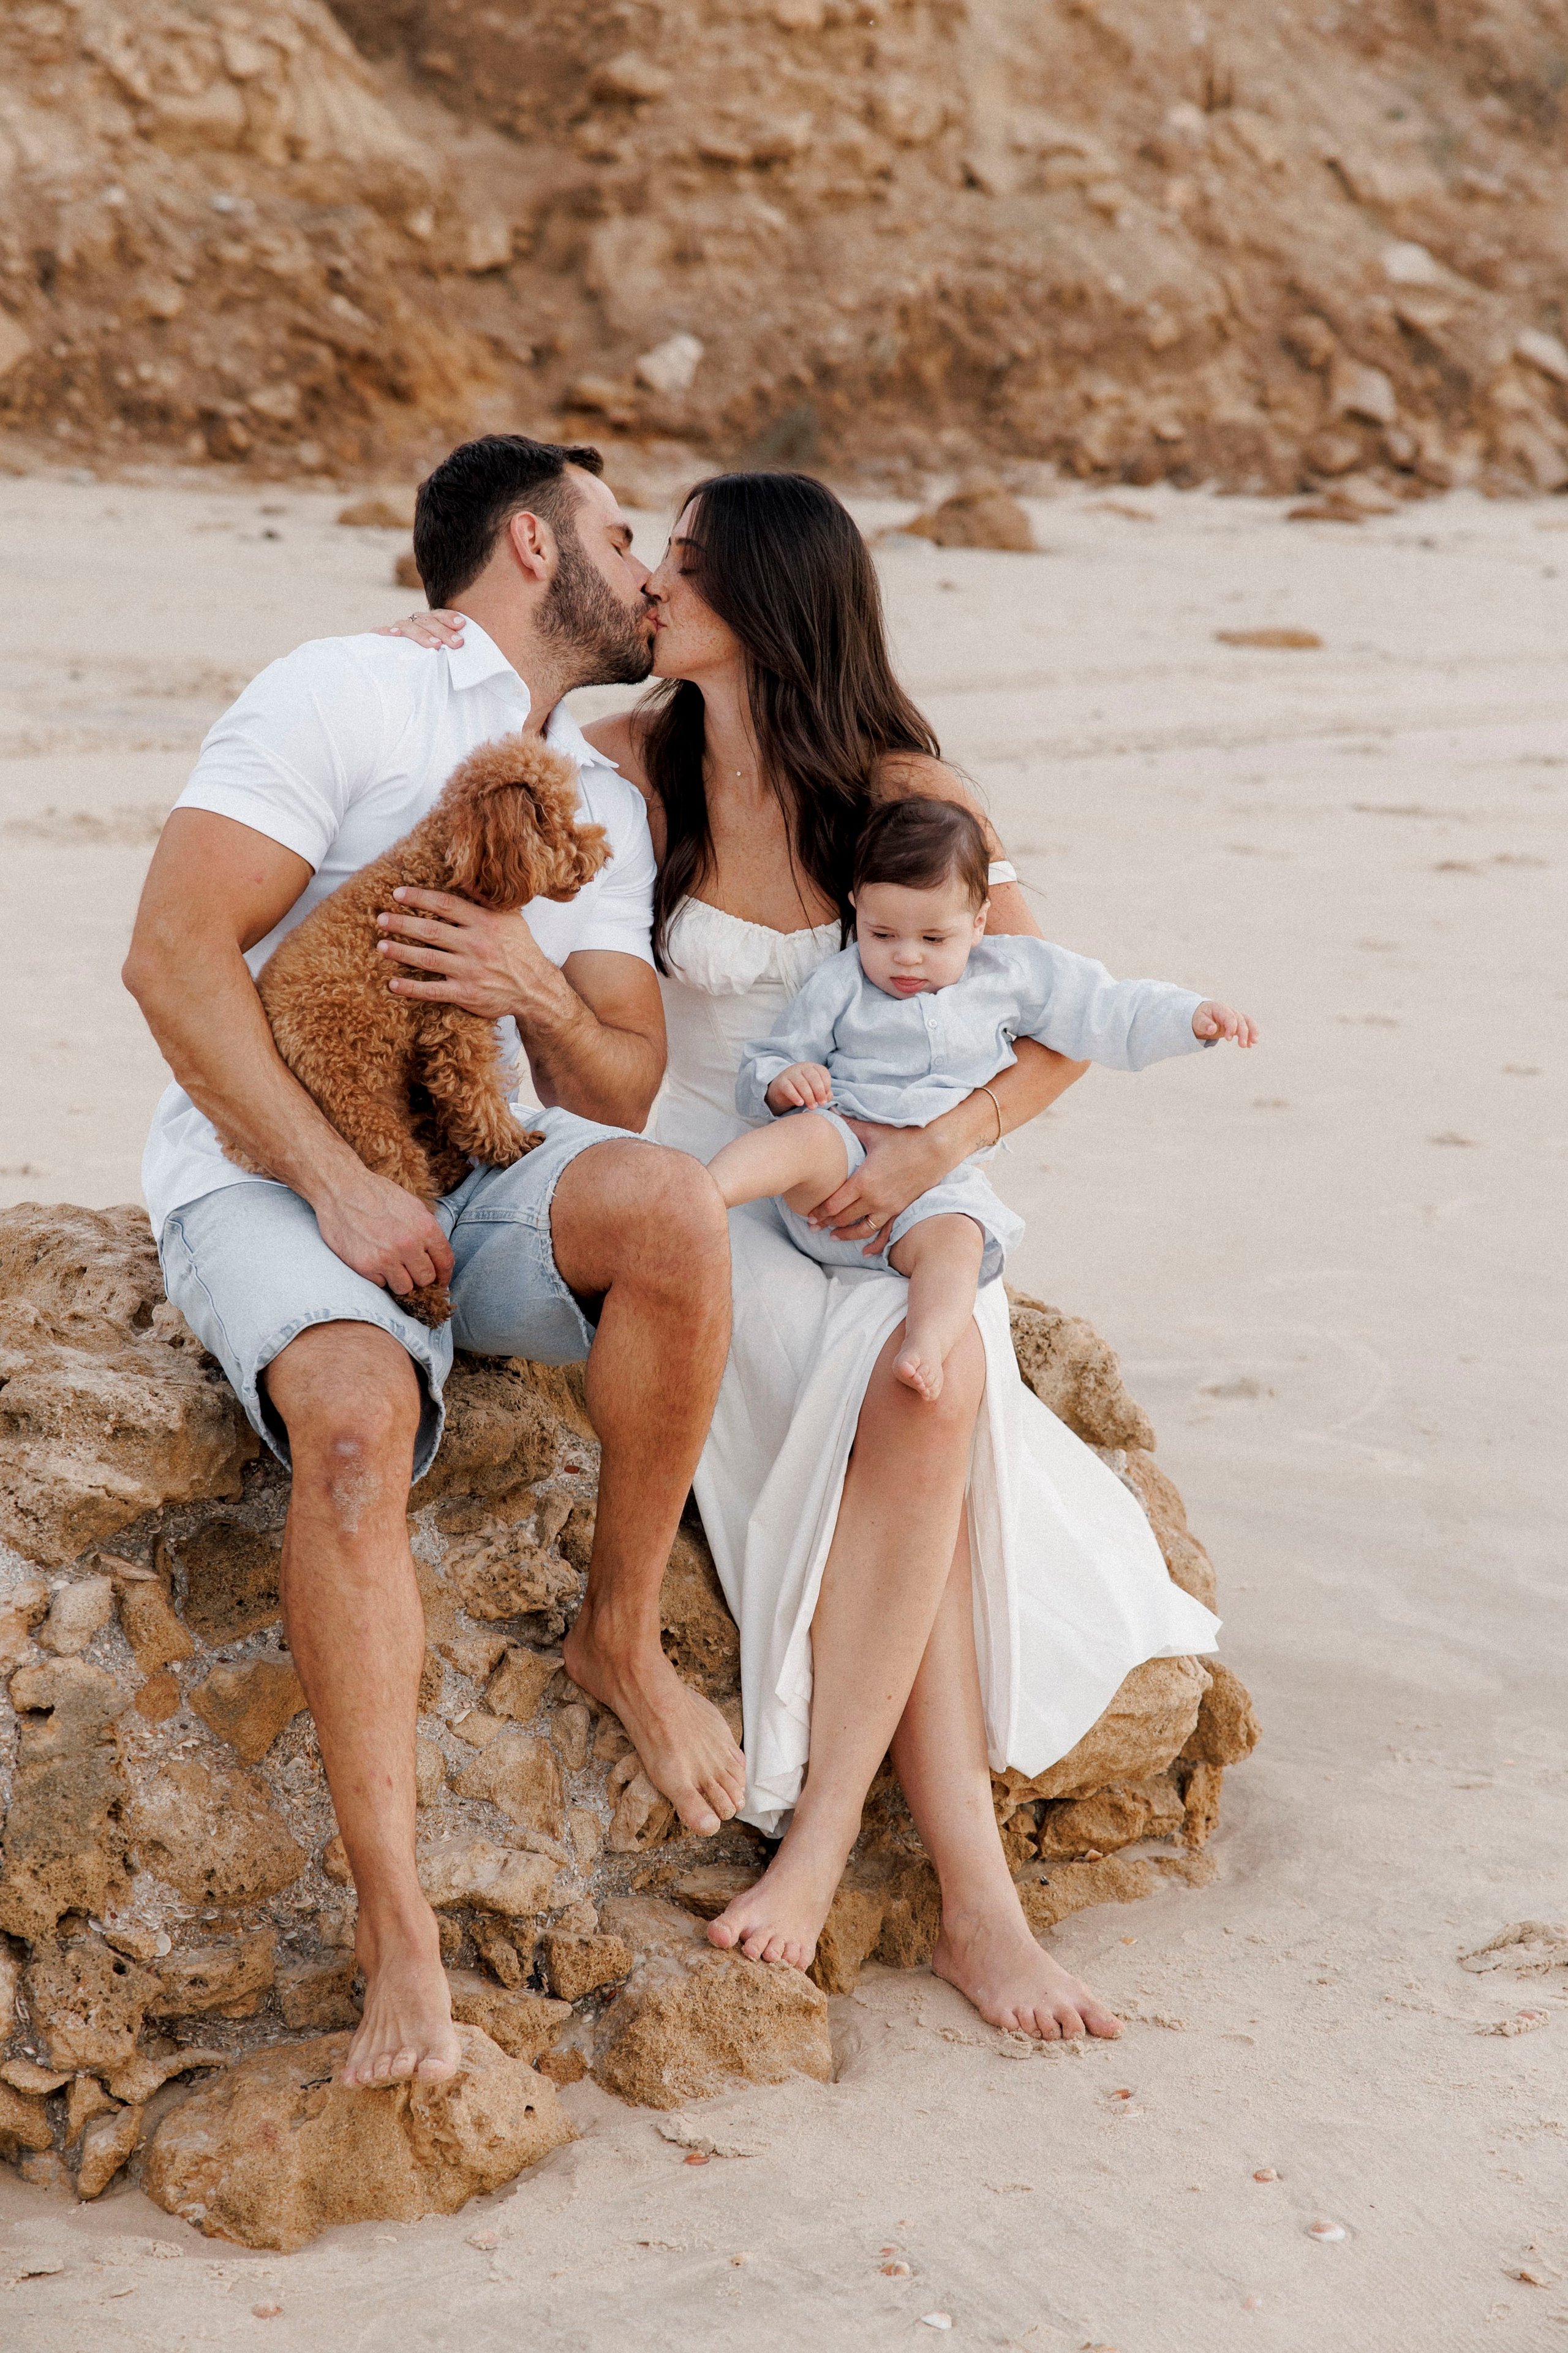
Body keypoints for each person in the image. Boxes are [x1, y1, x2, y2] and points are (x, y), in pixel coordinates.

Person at [382, 469, 1222, 2042]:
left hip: (878, 1178)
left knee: (936, 1365)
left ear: (765, 597)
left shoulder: (902, 785)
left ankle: (853, 1853)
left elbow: (1058, 1013)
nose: (654, 589)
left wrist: (929, 1150)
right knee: (883, 1372)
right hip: (705, 1189)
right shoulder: (624, 757)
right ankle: (955, 1897)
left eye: (684, 566)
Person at [123, 436, 748, 2093]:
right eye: (626, 535)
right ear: (536, 550)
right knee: (346, 1430)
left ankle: (620, 1634)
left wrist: (523, 983)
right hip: (275, 1162)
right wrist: (331, 1183)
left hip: (482, 1159)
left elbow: (617, 1080)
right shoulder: (342, 691)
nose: (654, 571)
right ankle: (399, 1933)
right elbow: (170, 956)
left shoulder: (597, 788)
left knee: (675, 1209)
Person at [711, 795, 1257, 1402]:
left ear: (977, 923)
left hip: (932, 1197)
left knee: (962, 1242)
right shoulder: (839, 983)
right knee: (804, 1137)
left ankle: (927, 1343)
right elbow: (772, 1055)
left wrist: (1190, 1018)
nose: (906, 955)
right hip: (833, 1178)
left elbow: (1106, 1007)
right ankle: (703, 1197)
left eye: (933, 936)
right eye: (882, 933)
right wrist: (783, 1083)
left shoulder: (1011, 973)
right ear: (856, 910)